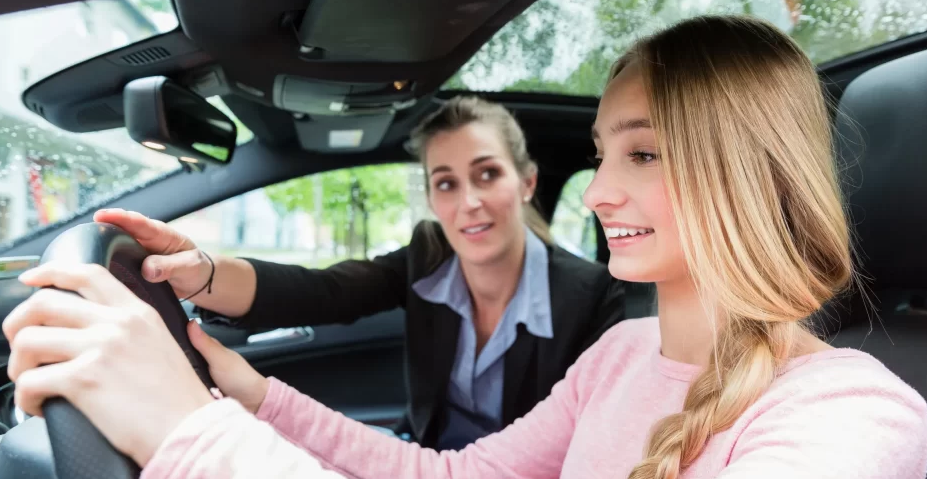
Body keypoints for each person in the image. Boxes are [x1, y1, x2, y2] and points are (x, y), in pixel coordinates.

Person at [5, 15, 927, 479]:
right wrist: (246, 395)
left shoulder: (856, 416)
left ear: (747, 170)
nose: (602, 193)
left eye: (643, 153)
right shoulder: (621, 354)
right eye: (605, 154)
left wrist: (194, 438)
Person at [93, 95, 625, 450]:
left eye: (487, 174)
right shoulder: (428, 253)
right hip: (428, 460)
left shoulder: (588, 296)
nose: (469, 203)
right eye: (445, 183)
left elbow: (576, 452)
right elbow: (325, 292)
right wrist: (203, 272)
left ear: (526, 182)